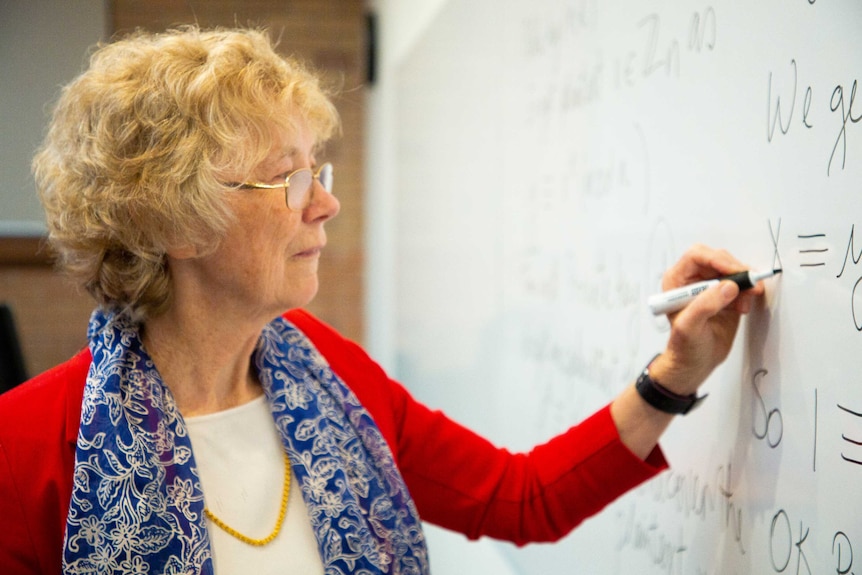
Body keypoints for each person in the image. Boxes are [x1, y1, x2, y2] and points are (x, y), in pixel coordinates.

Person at [0, 26, 763, 575]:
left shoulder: (332, 380)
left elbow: (519, 499)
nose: (324, 206)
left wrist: (675, 371)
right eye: (287, 178)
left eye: (318, 172)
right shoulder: (24, 447)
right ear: (176, 222)